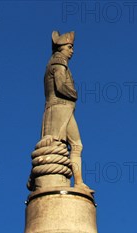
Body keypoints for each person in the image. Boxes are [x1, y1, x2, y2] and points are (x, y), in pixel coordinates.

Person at [41, 31, 86, 188]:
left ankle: (79, 182)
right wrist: (74, 94)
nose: (72, 51)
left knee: (75, 145)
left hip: (62, 108)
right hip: (59, 108)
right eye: (69, 47)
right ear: (61, 48)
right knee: (59, 145)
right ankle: (78, 182)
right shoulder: (59, 62)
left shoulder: (54, 62)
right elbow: (60, 86)